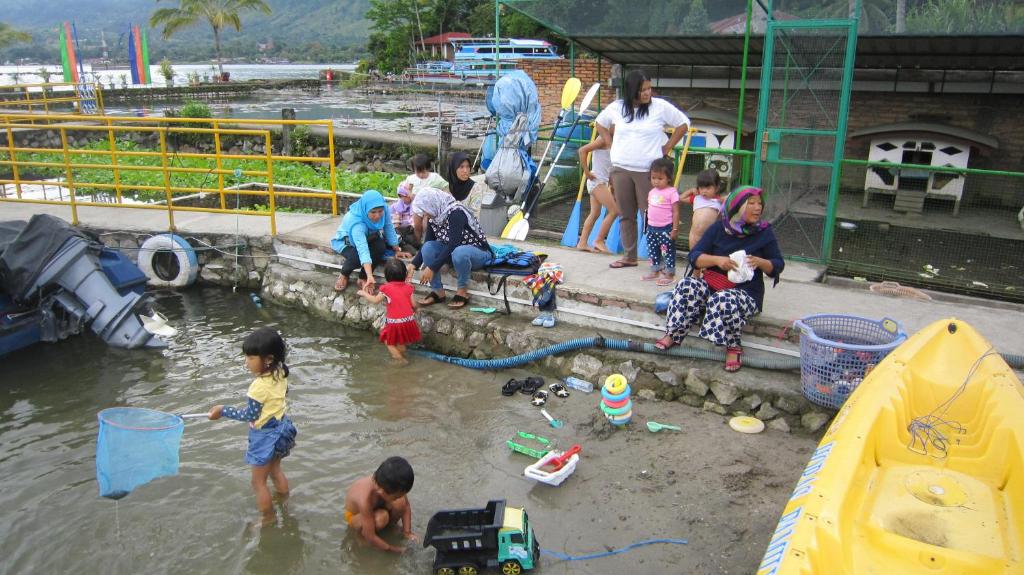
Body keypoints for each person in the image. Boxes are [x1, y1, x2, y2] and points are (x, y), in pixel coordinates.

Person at [655, 186, 784, 372]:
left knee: (722, 299)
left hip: (746, 293)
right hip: (714, 286)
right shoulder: (718, 229)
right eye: (751, 203)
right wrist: (717, 260)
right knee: (687, 285)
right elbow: (695, 256)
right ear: (736, 206)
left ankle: (733, 346)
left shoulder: (764, 232)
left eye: (760, 204)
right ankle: (674, 333)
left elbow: (777, 265)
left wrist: (761, 262)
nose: (758, 208)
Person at [595, 69, 690, 269]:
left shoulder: (660, 107)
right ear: (631, 91)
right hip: (620, 169)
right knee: (625, 214)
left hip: (649, 172)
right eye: (642, 90)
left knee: (654, 215)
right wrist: (610, 143)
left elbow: (683, 124)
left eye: (649, 88)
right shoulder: (617, 107)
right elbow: (600, 123)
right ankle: (630, 256)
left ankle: (661, 259)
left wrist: (667, 147)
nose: (647, 93)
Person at [208, 327, 297, 523]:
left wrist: (222, 410)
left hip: (265, 436)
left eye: (250, 358)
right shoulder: (281, 372)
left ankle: (267, 518)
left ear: (268, 359)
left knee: (258, 483)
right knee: (276, 471)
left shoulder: (257, 387)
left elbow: (249, 414)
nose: (245, 362)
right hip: (282, 428)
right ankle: (285, 503)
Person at [408, 188, 492, 309]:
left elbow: (454, 244)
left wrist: (431, 267)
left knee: (459, 252)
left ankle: (462, 290)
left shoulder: (456, 213)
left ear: (432, 203)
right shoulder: (435, 216)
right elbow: (428, 242)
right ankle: (438, 291)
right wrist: (413, 264)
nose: (425, 215)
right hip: (454, 254)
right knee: (428, 247)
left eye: (425, 210)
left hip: (478, 253)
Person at [331, 190, 403, 292]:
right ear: (366, 210)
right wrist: (370, 276)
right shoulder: (357, 223)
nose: (377, 215)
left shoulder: (384, 208)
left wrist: (396, 247)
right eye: (373, 212)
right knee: (357, 257)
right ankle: (344, 274)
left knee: (380, 247)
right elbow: (363, 250)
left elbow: (388, 226)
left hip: (370, 236)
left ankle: (362, 277)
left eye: (380, 211)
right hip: (349, 242)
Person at [343, 456, 416, 553]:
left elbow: (406, 506)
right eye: (396, 496)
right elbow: (370, 536)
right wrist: (394, 549)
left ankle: (389, 527)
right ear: (382, 492)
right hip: (356, 516)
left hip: (378, 507)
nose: (400, 497)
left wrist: (408, 532)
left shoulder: (389, 482)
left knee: (401, 503)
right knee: (381, 518)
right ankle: (360, 537)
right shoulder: (365, 499)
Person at [356, 258, 421, 362]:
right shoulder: (409, 287)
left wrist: (364, 293)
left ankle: (401, 360)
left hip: (395, 323)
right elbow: (413, 304)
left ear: (387, 276)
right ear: (404, 274)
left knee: (387, 340)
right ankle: (403, 355)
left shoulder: (386, 288)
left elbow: (375, 300)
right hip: (409, 321)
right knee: (400, 341)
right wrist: (417, 310)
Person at [575, 134, 619, 253]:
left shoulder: (614, 140)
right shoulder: (603, 139)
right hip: (596, 180)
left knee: (595, 213)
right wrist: (587, 172)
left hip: (601, 181)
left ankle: (582, 243)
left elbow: (609, 166)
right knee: (614, 211)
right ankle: (599, 240)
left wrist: (612, 185)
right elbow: (582, 150)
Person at [642, 157, 681, 286]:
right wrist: (646, 227)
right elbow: (649, 210)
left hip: (666, 229)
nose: (656, 181)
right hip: (652, 228)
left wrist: (675, 229)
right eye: (653, 178)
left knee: (667, 252)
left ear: (669, 178)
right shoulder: (652, 192)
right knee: (653, 250)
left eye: (660, 178)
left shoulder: (672, 192)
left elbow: (676, 212)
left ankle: (670, 274)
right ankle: (655, 271)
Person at [680, 169, 724, 252]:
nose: (704, 191)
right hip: (694, 236)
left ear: (717, 188)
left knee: (706, 259)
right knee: (694, 257)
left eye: (708, 188)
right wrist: (691, 190)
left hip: (709, 237)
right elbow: (681, 198)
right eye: (701, 188)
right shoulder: (697, 198)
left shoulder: (719, 200)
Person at [444, 151, 487, 219]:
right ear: (453, 168)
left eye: (468, 167)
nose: (465, 170)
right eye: (461, 167)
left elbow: (474, 217)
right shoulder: (446, 189)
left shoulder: (476, 188)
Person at [390, 183, 420, 252]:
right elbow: (396, 223)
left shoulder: (415, 204)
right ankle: (405, 245)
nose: (402, 198)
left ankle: (412, 246)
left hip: (412, 230)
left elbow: (415, 222)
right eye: (400, 196)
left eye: (404, 196)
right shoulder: (397, 206)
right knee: (397, 233)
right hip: (401, 230)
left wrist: (411, 228)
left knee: (411, 238)